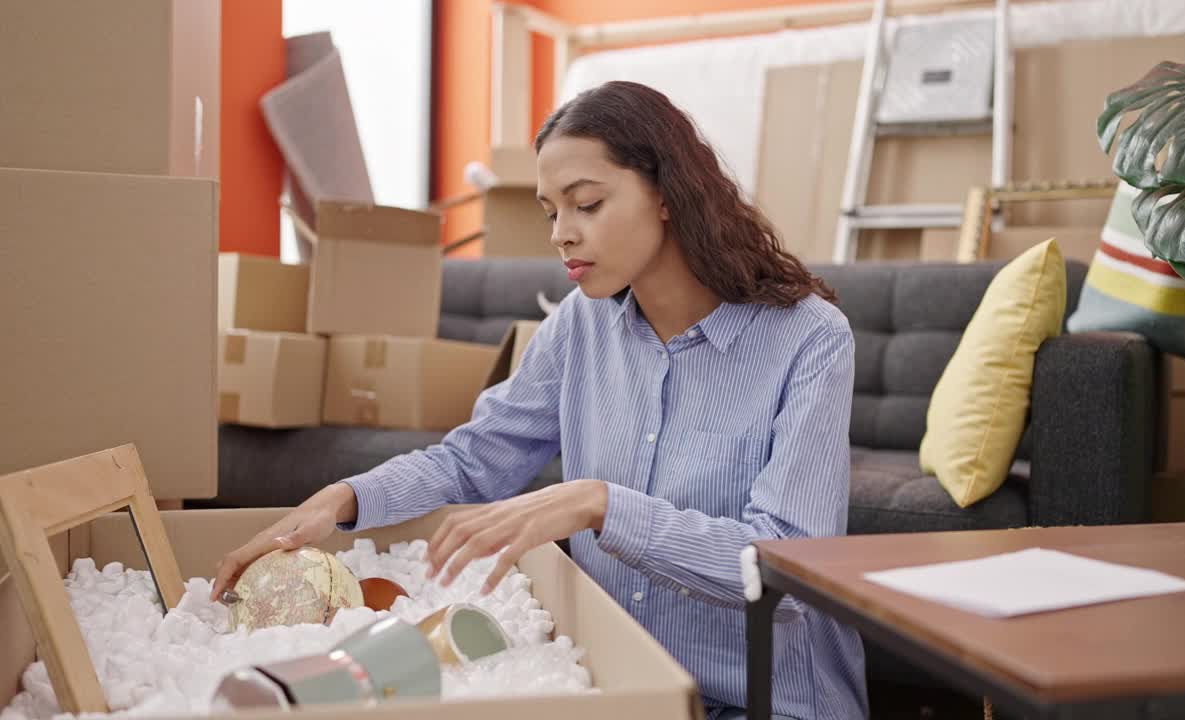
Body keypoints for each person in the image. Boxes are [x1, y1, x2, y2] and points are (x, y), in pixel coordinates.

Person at [211, 80, 866, 720]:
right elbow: (472, 462)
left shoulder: (809, 339)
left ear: (667, 193)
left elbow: (785, 567)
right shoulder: (580, 326)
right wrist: (340, 501)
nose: (561, 234)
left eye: (586, 204)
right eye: (552, 211)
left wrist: (600, 504)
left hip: (763, 699)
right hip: (615, 684)